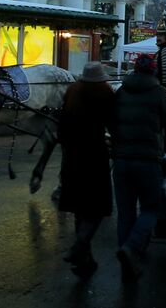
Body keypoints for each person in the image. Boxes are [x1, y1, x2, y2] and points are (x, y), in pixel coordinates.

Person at [111, 53, 166, 278]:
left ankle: (126, 259)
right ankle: (131, 248)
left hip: (121, 161)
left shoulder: (121, 92)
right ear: (153, 71)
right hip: (148, 160)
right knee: (152, 208)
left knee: (125, 212)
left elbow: (111, 123)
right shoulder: (160, 94)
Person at [58, 62, 117, 276]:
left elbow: (60, 130)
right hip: (94, 157)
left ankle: (85, 260)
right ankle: (79, 246)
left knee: (79, 210)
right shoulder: (105, 94)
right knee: (98, 208)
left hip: (71, 157)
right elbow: (114, 125)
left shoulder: (72, 92)